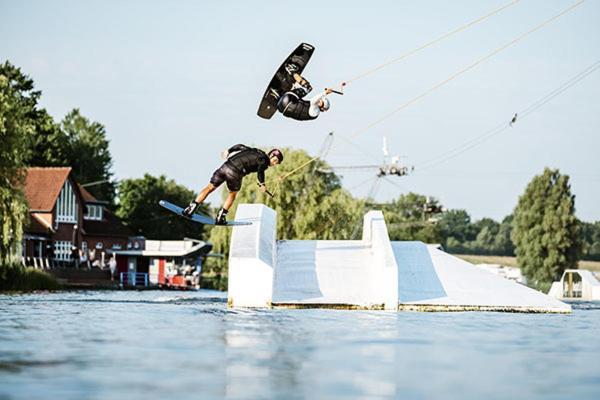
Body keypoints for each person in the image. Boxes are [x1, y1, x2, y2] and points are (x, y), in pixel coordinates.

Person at [183, 144, 284, 225]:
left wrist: (229, 150)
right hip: (235, 173)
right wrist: (262, 184)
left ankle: (191, 208)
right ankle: (220, 217)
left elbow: (239, 146)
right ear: (270, 156)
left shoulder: (254, 150)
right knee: (232, 194)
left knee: (210, 187)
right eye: (275, 161)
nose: (274, 164)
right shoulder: (264, 161)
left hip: (225, 166)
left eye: (277, 163)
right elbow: (260, 171)